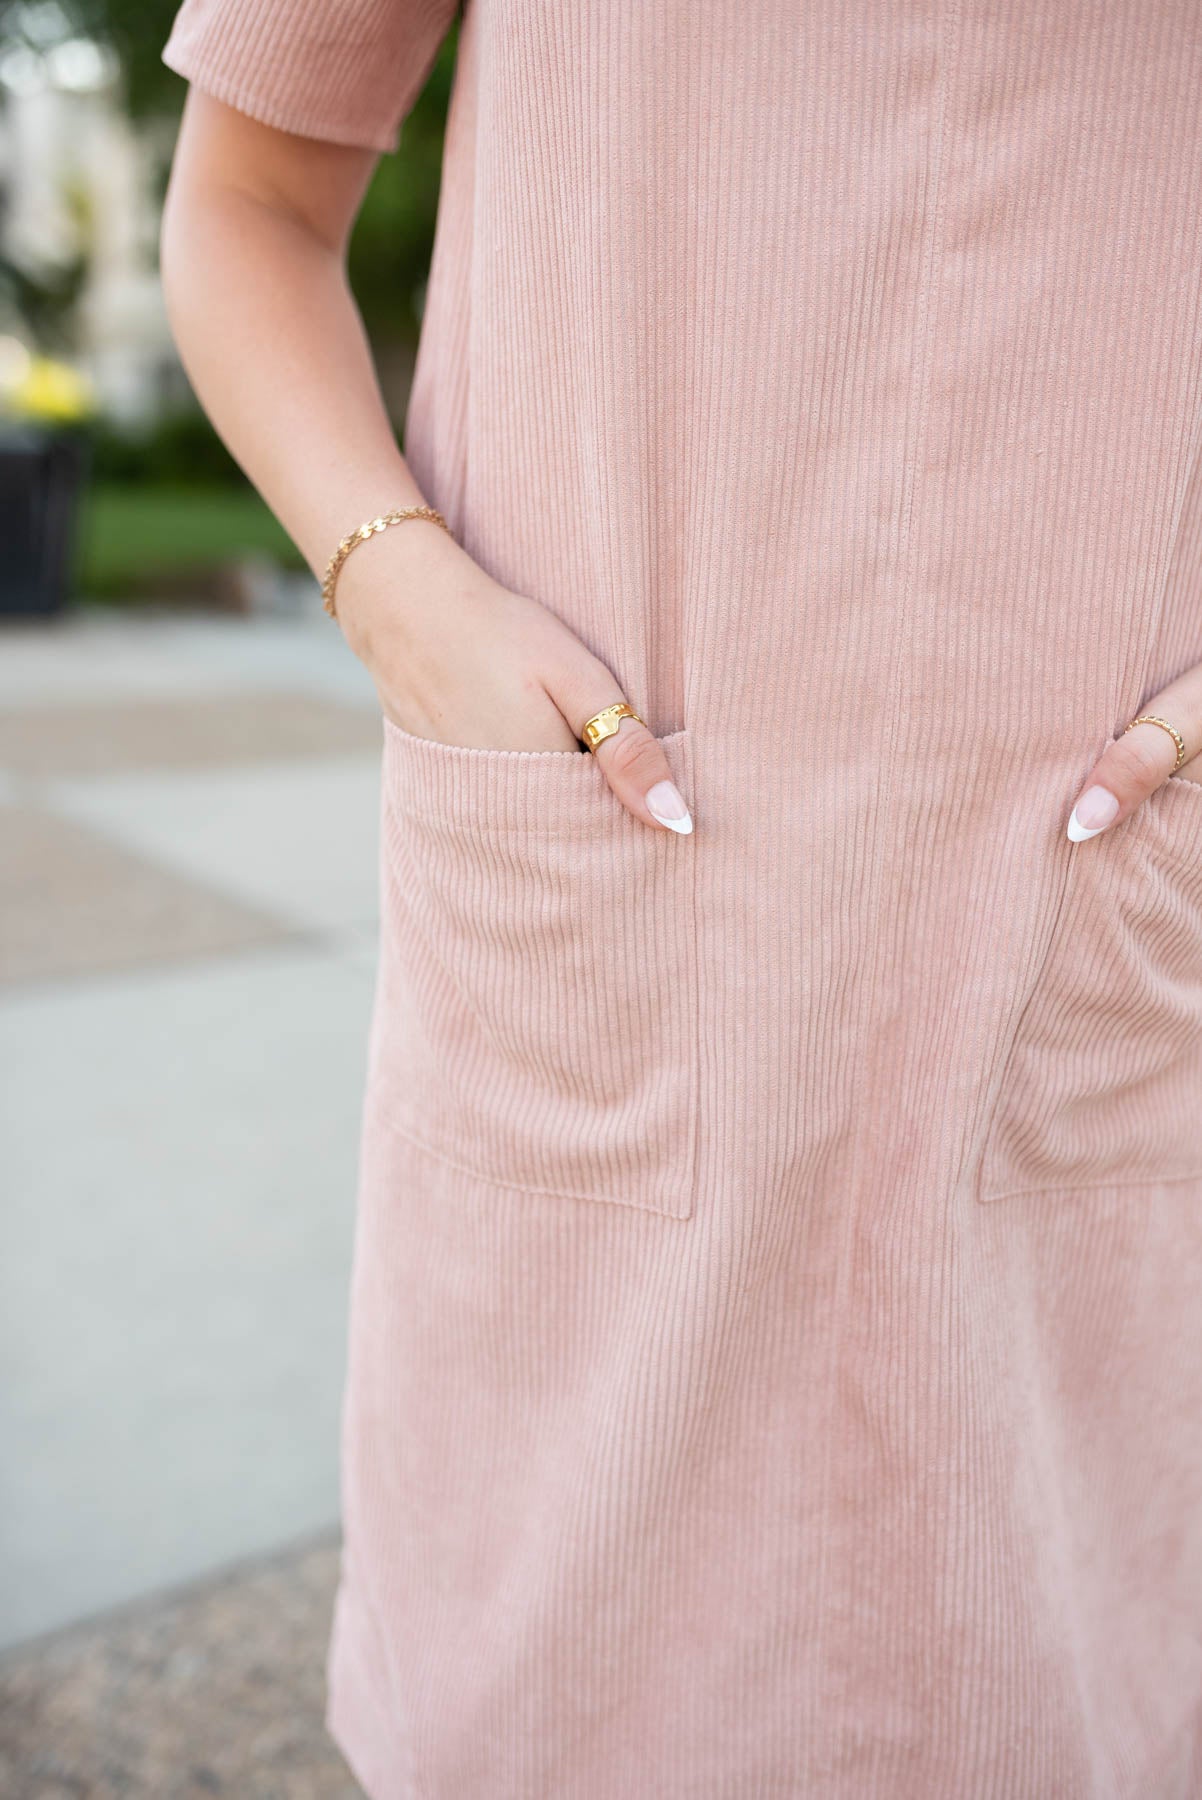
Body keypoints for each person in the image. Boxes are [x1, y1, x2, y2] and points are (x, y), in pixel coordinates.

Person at [158, 1, 1202, 1793]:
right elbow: (248, 198)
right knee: (553, 1688)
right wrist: (400, 591)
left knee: (1066, 1674)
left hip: (1102, 902)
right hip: (601, 853)